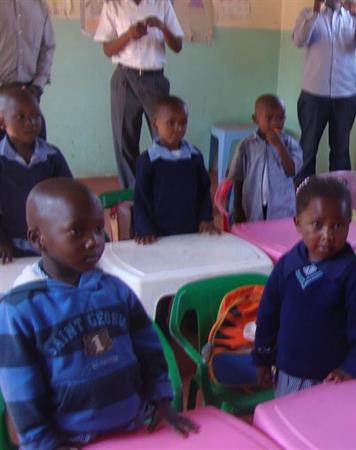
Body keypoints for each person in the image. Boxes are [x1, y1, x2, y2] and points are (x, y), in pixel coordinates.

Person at [0, 178, 196, 449]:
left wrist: (161, 400)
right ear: (38, 239)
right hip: (69, 442)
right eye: (77, 231)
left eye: (98, 229)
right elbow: (21, 390)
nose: (94, 241)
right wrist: (43, 443)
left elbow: (149, 349)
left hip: (132, 429)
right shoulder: (20, 310)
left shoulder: (116, 290)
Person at [252, 177, 356, 397]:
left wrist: (351, 368)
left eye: (337, 226)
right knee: (287, 415)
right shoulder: (287, 266)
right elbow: (267, 314)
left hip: (332, 379)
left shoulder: (353, 275)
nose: (327, 235)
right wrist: (262, 357)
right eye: (317, 225)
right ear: (298, 224)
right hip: (287, 373)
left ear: (349, 223)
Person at [94, 0, 184, 189]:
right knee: (124, 140)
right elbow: (107, 50)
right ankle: (132, 192)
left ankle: (164, 188)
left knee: (165, 138)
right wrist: (128, 35)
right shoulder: (113, 5)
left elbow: (177, 46)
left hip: (154, 79)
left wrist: (161, 26)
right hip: (124, 78)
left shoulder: (162, 4)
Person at [292, 0, 356, 182]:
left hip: (345, 96)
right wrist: (315, 12)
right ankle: (303, 195)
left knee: (340, 151)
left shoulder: (353, 17)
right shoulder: (307, 14)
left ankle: (339, 194)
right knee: (307, 150)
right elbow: (299, 40)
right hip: (313, 94)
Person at [0, 87, 71, 263]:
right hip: (9, 248)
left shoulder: (52, 156)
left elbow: (69, 198)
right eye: (20, 117)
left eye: (36, 116)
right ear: (2, 122)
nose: (30, 123)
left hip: (50, 244)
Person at [133, 95, 217, 243]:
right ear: (155, 124)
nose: (178, 128)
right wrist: (145, 229)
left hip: (191, 231)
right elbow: (141, 199)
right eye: (171, 123)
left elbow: (204, 191)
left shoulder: (194, 156)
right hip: (158, 235)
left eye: (183, 123)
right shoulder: (147, 160)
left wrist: (206, 218)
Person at [230, 94, 302, 222]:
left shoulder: (290, 144)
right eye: (269, 118)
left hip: (282, 208)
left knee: (278, 233)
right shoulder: (246, 146)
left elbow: (292, 171)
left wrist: (279, 146)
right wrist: (238, 209)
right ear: (255, 119)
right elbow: (238, 179)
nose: (276, 123)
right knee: (255, 233)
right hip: (252, 207)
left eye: (280, 118)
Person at [0, 0, 55, 141]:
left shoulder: (39, 5)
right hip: (1, 94)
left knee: (37, 151)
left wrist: (37, 86)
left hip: (30, 95)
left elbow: (47, 47)